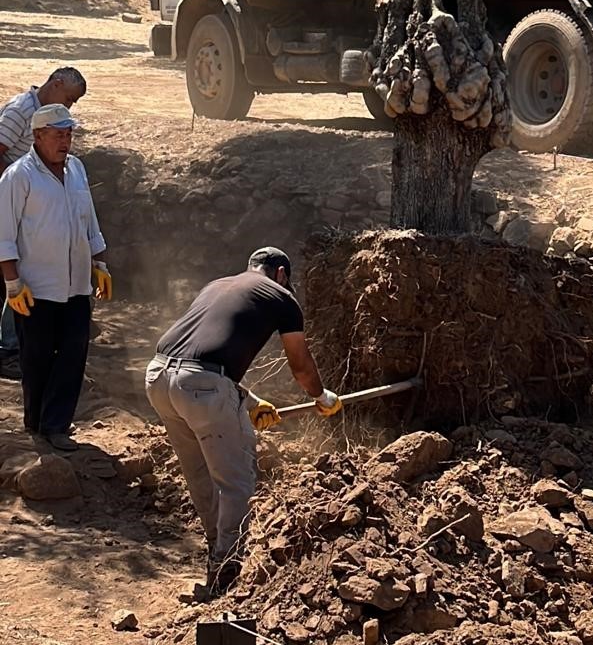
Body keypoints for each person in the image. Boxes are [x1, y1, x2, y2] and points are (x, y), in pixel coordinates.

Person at [145, 246, 342, 594]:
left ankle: (215, 553)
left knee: (200, 474)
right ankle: (228, 572)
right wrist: (319, 396)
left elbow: (198, 353)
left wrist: (246, 400)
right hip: (202, 386)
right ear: (281, 274)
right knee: (236, 483)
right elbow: (299, 365)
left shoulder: (218, 285)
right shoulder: (281, 296)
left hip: (159, 377)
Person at [0, 103, 112, 452]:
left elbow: (88, 220)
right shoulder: (19, 176)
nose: (65, 142)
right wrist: (12, 283)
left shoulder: (77, 169)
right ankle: (37, 424)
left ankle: (57, 425)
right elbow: (3, 233)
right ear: (37, 136)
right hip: (35, 288)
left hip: (77, 284)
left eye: (69, 134)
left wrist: (100, 263)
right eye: (58, 135)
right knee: (37, 357)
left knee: (73, 353)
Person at [0, 68, 87, 370]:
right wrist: (18, 192)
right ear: (56, 83)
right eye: (69, 98)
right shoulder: (20, 111)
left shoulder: (46, 116)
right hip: (15, 200)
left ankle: (15, 342)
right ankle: (10, 347)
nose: (70, 105)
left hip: (26, 200)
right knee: (17, 273)